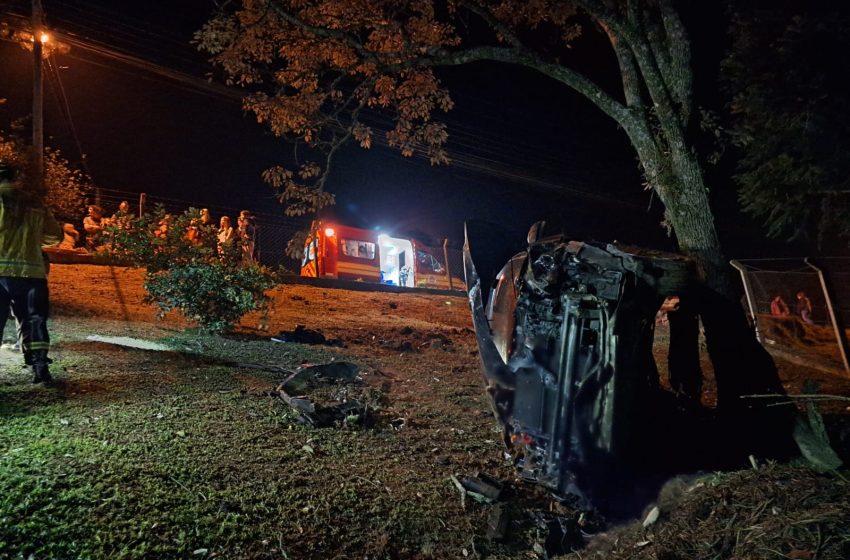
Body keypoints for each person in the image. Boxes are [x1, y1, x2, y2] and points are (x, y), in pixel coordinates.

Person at [0, 160, 63, 383]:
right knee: (35, 320)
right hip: (32, 273)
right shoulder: (35, 203)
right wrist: (33, 239)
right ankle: (39, 367)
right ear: (15, 177)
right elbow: (56, 236)